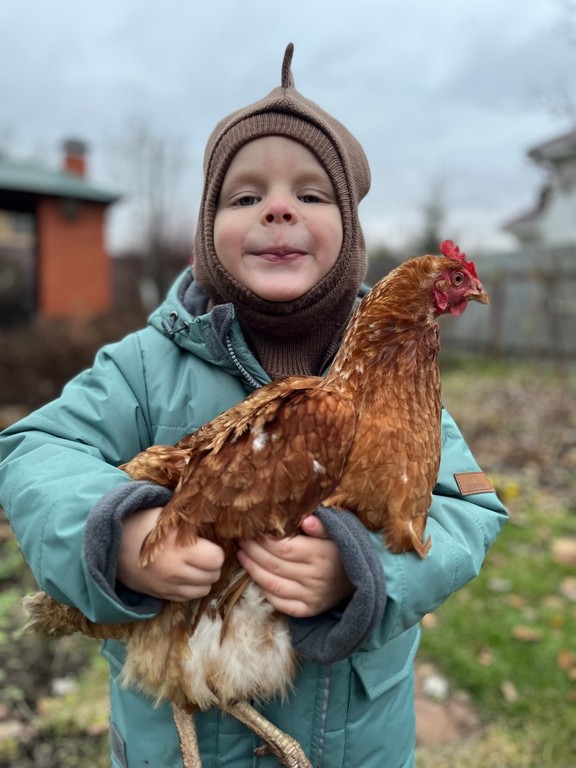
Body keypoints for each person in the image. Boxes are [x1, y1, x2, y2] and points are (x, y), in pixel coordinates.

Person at [0, 44, 507, 768]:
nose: (278, 208)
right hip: (180, 722)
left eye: (312, 195)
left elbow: (473, 503)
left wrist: (362, 573)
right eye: (245, 198)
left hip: (353, 742)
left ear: (350, 236)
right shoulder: (146, 366)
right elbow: (33, 450)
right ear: (208, 233)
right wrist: (121, 534)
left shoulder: (405, 400)